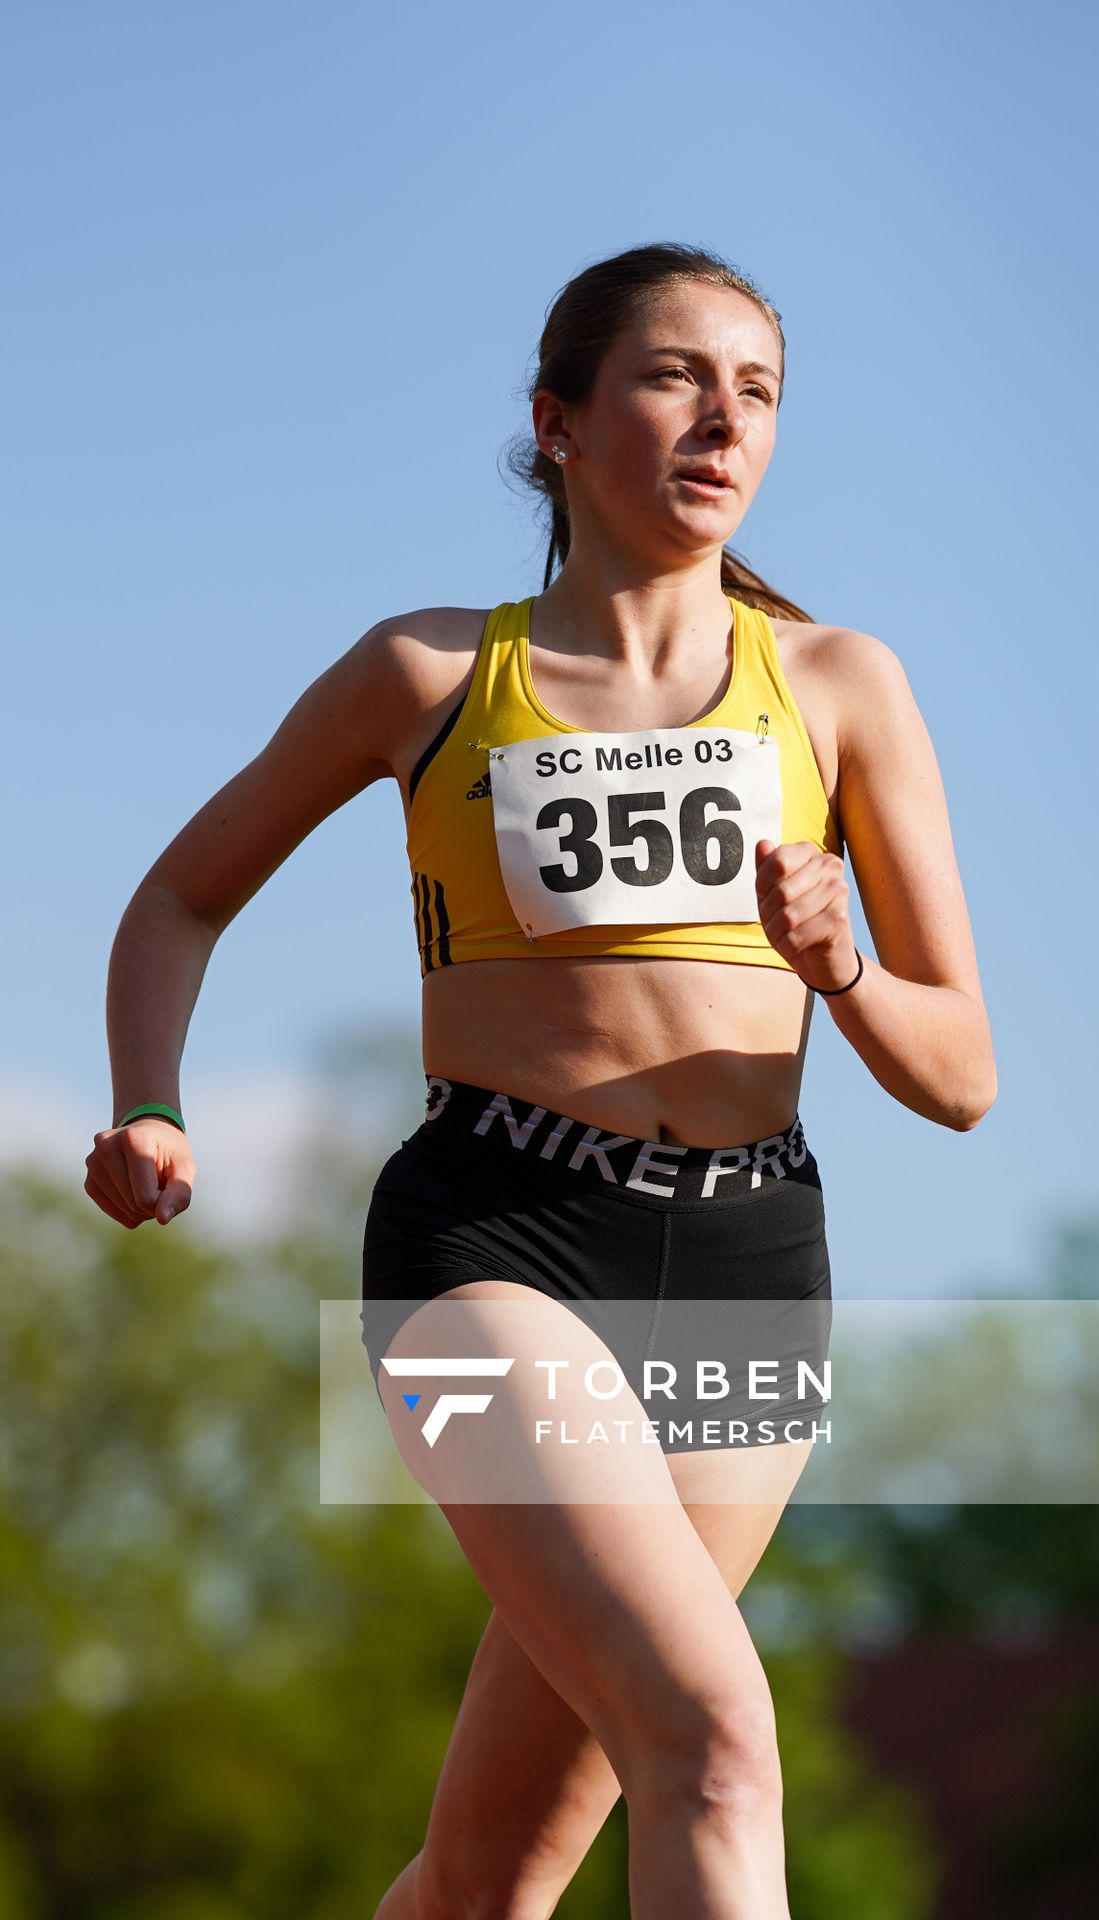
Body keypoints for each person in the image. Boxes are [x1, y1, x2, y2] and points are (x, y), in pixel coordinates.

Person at [86, 240, 997, 1919]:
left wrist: (843, 967)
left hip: (744, 1271)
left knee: (490, 1881)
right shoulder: (428, 676)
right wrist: (153, 1100)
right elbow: (181, 896)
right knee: (716, 1737)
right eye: (672, 376)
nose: (723, 419)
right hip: (485, 1249)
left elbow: (965, 1077)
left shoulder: (843, 686)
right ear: (558, 422)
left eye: (760, 391)